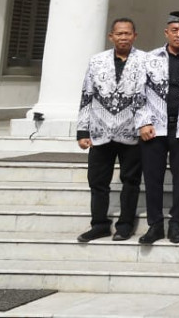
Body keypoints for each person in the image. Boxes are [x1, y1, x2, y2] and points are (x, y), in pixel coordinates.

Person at [76, 18, 146, 243]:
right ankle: (99, 224)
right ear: (111, 37)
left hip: (132, 131)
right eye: (119, 34)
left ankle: (125, 225)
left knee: (131, 181)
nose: (123, 37)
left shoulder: (146, 60)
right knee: (97, 181)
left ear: (135, 35)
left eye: (127, 33)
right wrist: (82, 130)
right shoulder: (97, 61)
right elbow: (87, 96)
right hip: (100, 130)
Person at [135, 11, 179, 245]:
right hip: (154, 129)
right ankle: (155, 225)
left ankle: (176, 225)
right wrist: (143, 122)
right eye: (175, 30)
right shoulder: (149, 59)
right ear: (166, 32)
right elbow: (137, 94)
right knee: (153, 178)